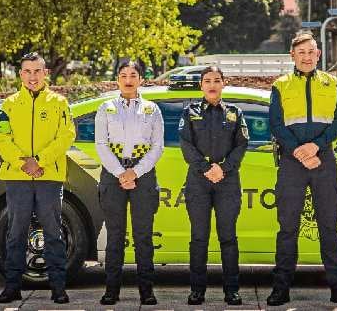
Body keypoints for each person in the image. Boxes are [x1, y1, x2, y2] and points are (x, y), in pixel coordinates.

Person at [267, 32, 337, 307]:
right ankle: (280, 290)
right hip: (292, 162)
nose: (306, 57)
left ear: (318, 55)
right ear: (292, 56)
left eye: (311, 52)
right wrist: (298, 151)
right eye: (301, 52)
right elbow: (276, 125)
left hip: (324, 160)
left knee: (329, 228)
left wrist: (315, 147)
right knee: (287, 229)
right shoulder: (280, 85)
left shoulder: (332, 83)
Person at [0, 52, 75, 305]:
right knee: (15, 233)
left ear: (45, 73)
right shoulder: (9, 104)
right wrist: (23, 163)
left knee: (53, 233)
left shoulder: (59, 103)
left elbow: (66, 136)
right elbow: (1, 139)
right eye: (27, 71)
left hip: (48, 177)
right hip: (17, 178)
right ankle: (12, 287)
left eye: (37, 71)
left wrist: (38, 161)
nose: (32, 76)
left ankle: (58, 287)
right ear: (21, 74)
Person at [94, 60, 165, 306]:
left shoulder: (152, 109)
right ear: (117, 79)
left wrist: (134, 172)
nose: (128, 79)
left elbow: (158, 146)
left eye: (133, 75)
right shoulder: (106, 108)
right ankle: (111, 290)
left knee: (143, 235)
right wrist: (119, 173)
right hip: (113, 175)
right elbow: (101, 144)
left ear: (141, 79)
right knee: (115, 235)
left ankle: (147, 290)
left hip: (143, 175)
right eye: (123, 75)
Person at [178, 66, 249, 305]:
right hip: (198, 182)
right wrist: (206, 168)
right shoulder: (190, 112)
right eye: (207, 80)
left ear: (223, 84)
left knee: (228, 237)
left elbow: (241, 145)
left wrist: (223, 168)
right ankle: (197, 291)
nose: (212, 84)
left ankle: (232, 291)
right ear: (201, 85)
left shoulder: (235, 113)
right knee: (199, 238)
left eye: (216, 80)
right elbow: (186, 145)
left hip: (227, 182)